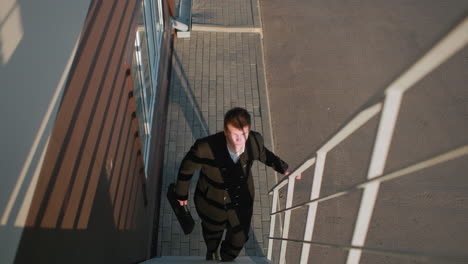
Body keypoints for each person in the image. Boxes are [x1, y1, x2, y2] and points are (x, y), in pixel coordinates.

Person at [174, 107, 300, 261]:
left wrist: (285, 168)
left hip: (241, 203)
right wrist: (181, 193)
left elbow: (265, 155)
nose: (240, 141)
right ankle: (212, 251)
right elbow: (187, 167)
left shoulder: (254, 141)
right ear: (226, 132)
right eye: (235, 135)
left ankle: (226, 258)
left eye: (244, 134)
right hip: (211, 202)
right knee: (212, 232)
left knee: (239, 237)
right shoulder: (204, 147)